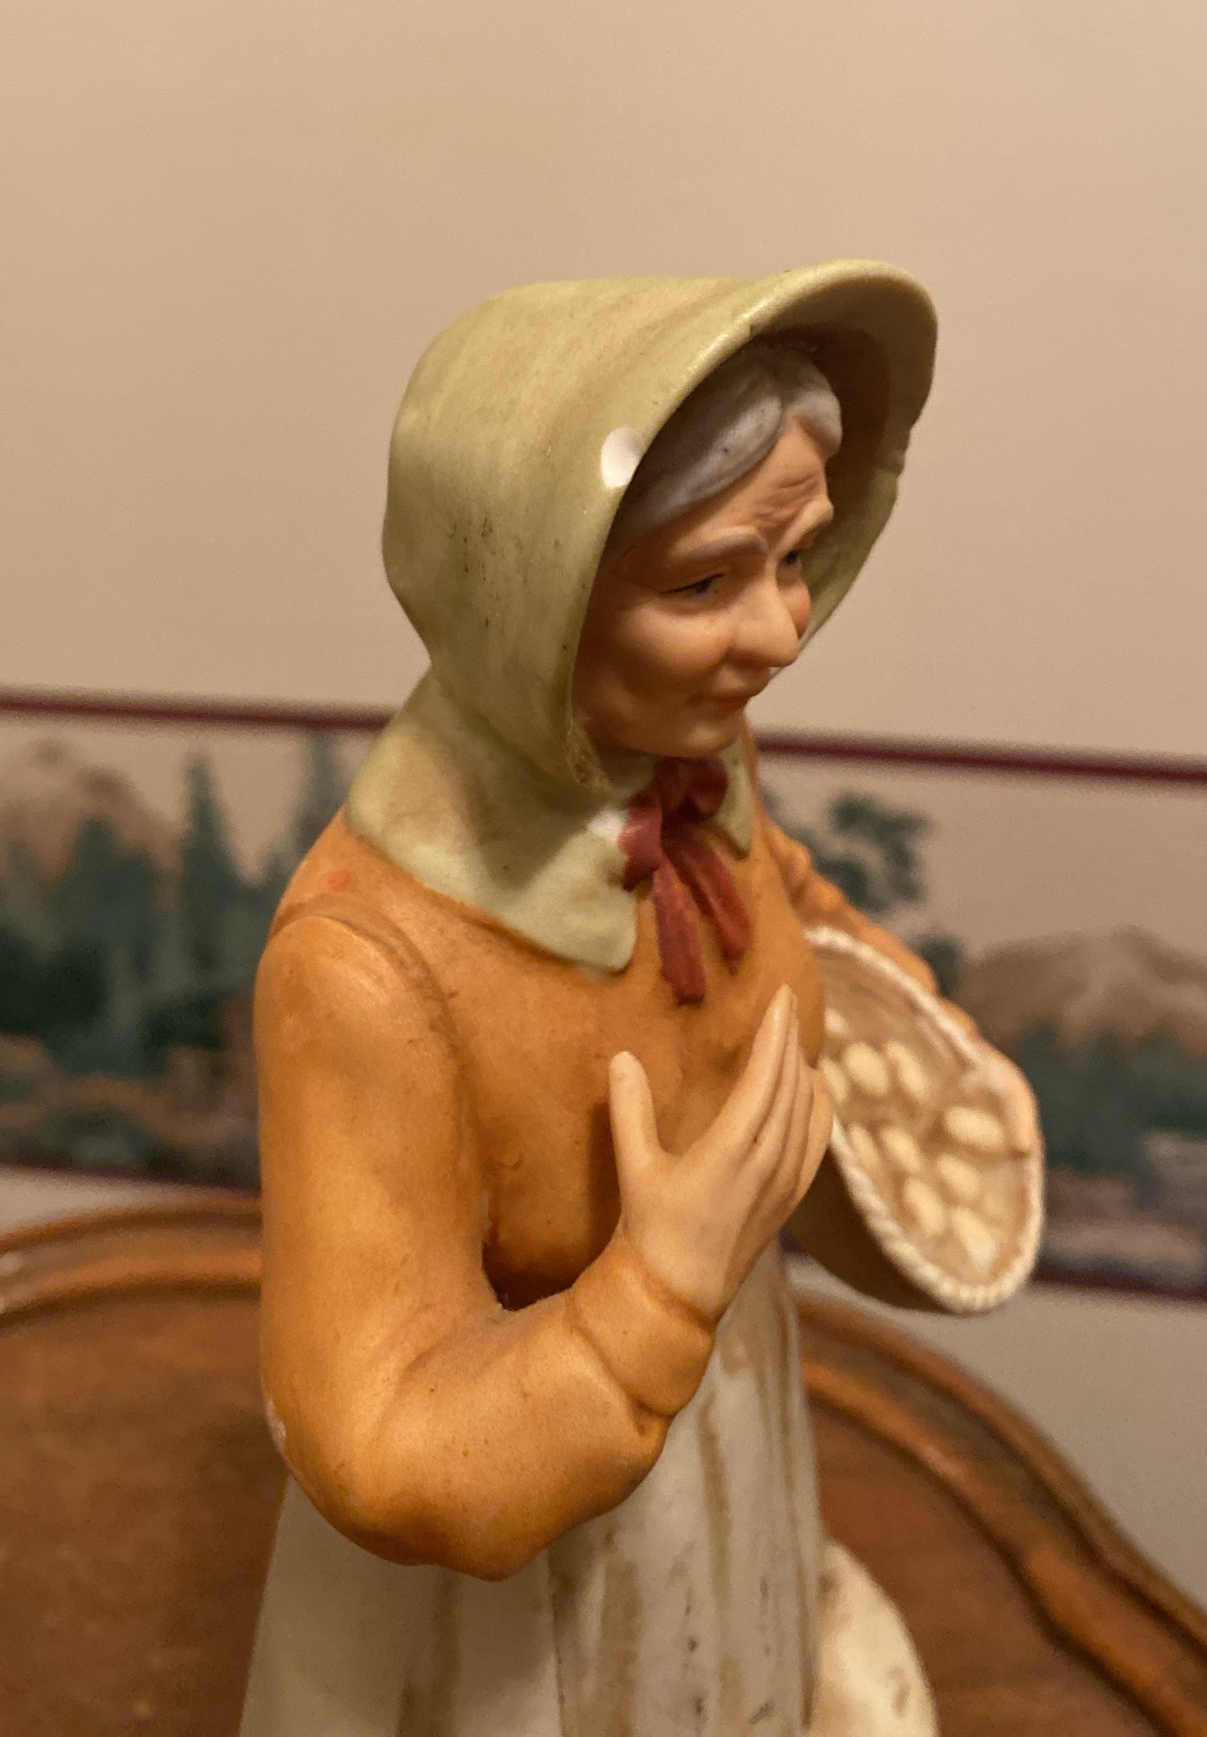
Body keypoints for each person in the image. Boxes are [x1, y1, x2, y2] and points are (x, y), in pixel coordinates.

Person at [240, 263, 1041, 1737]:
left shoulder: (689, 763)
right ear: (531, 601)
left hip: (723, 1448)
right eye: (704, 583)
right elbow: (378, 1440)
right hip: (503, 1613)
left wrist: (864, 982)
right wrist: (650, 1299)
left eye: (796, 559)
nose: (781, 632)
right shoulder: (367, 973)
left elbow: (769, 894)